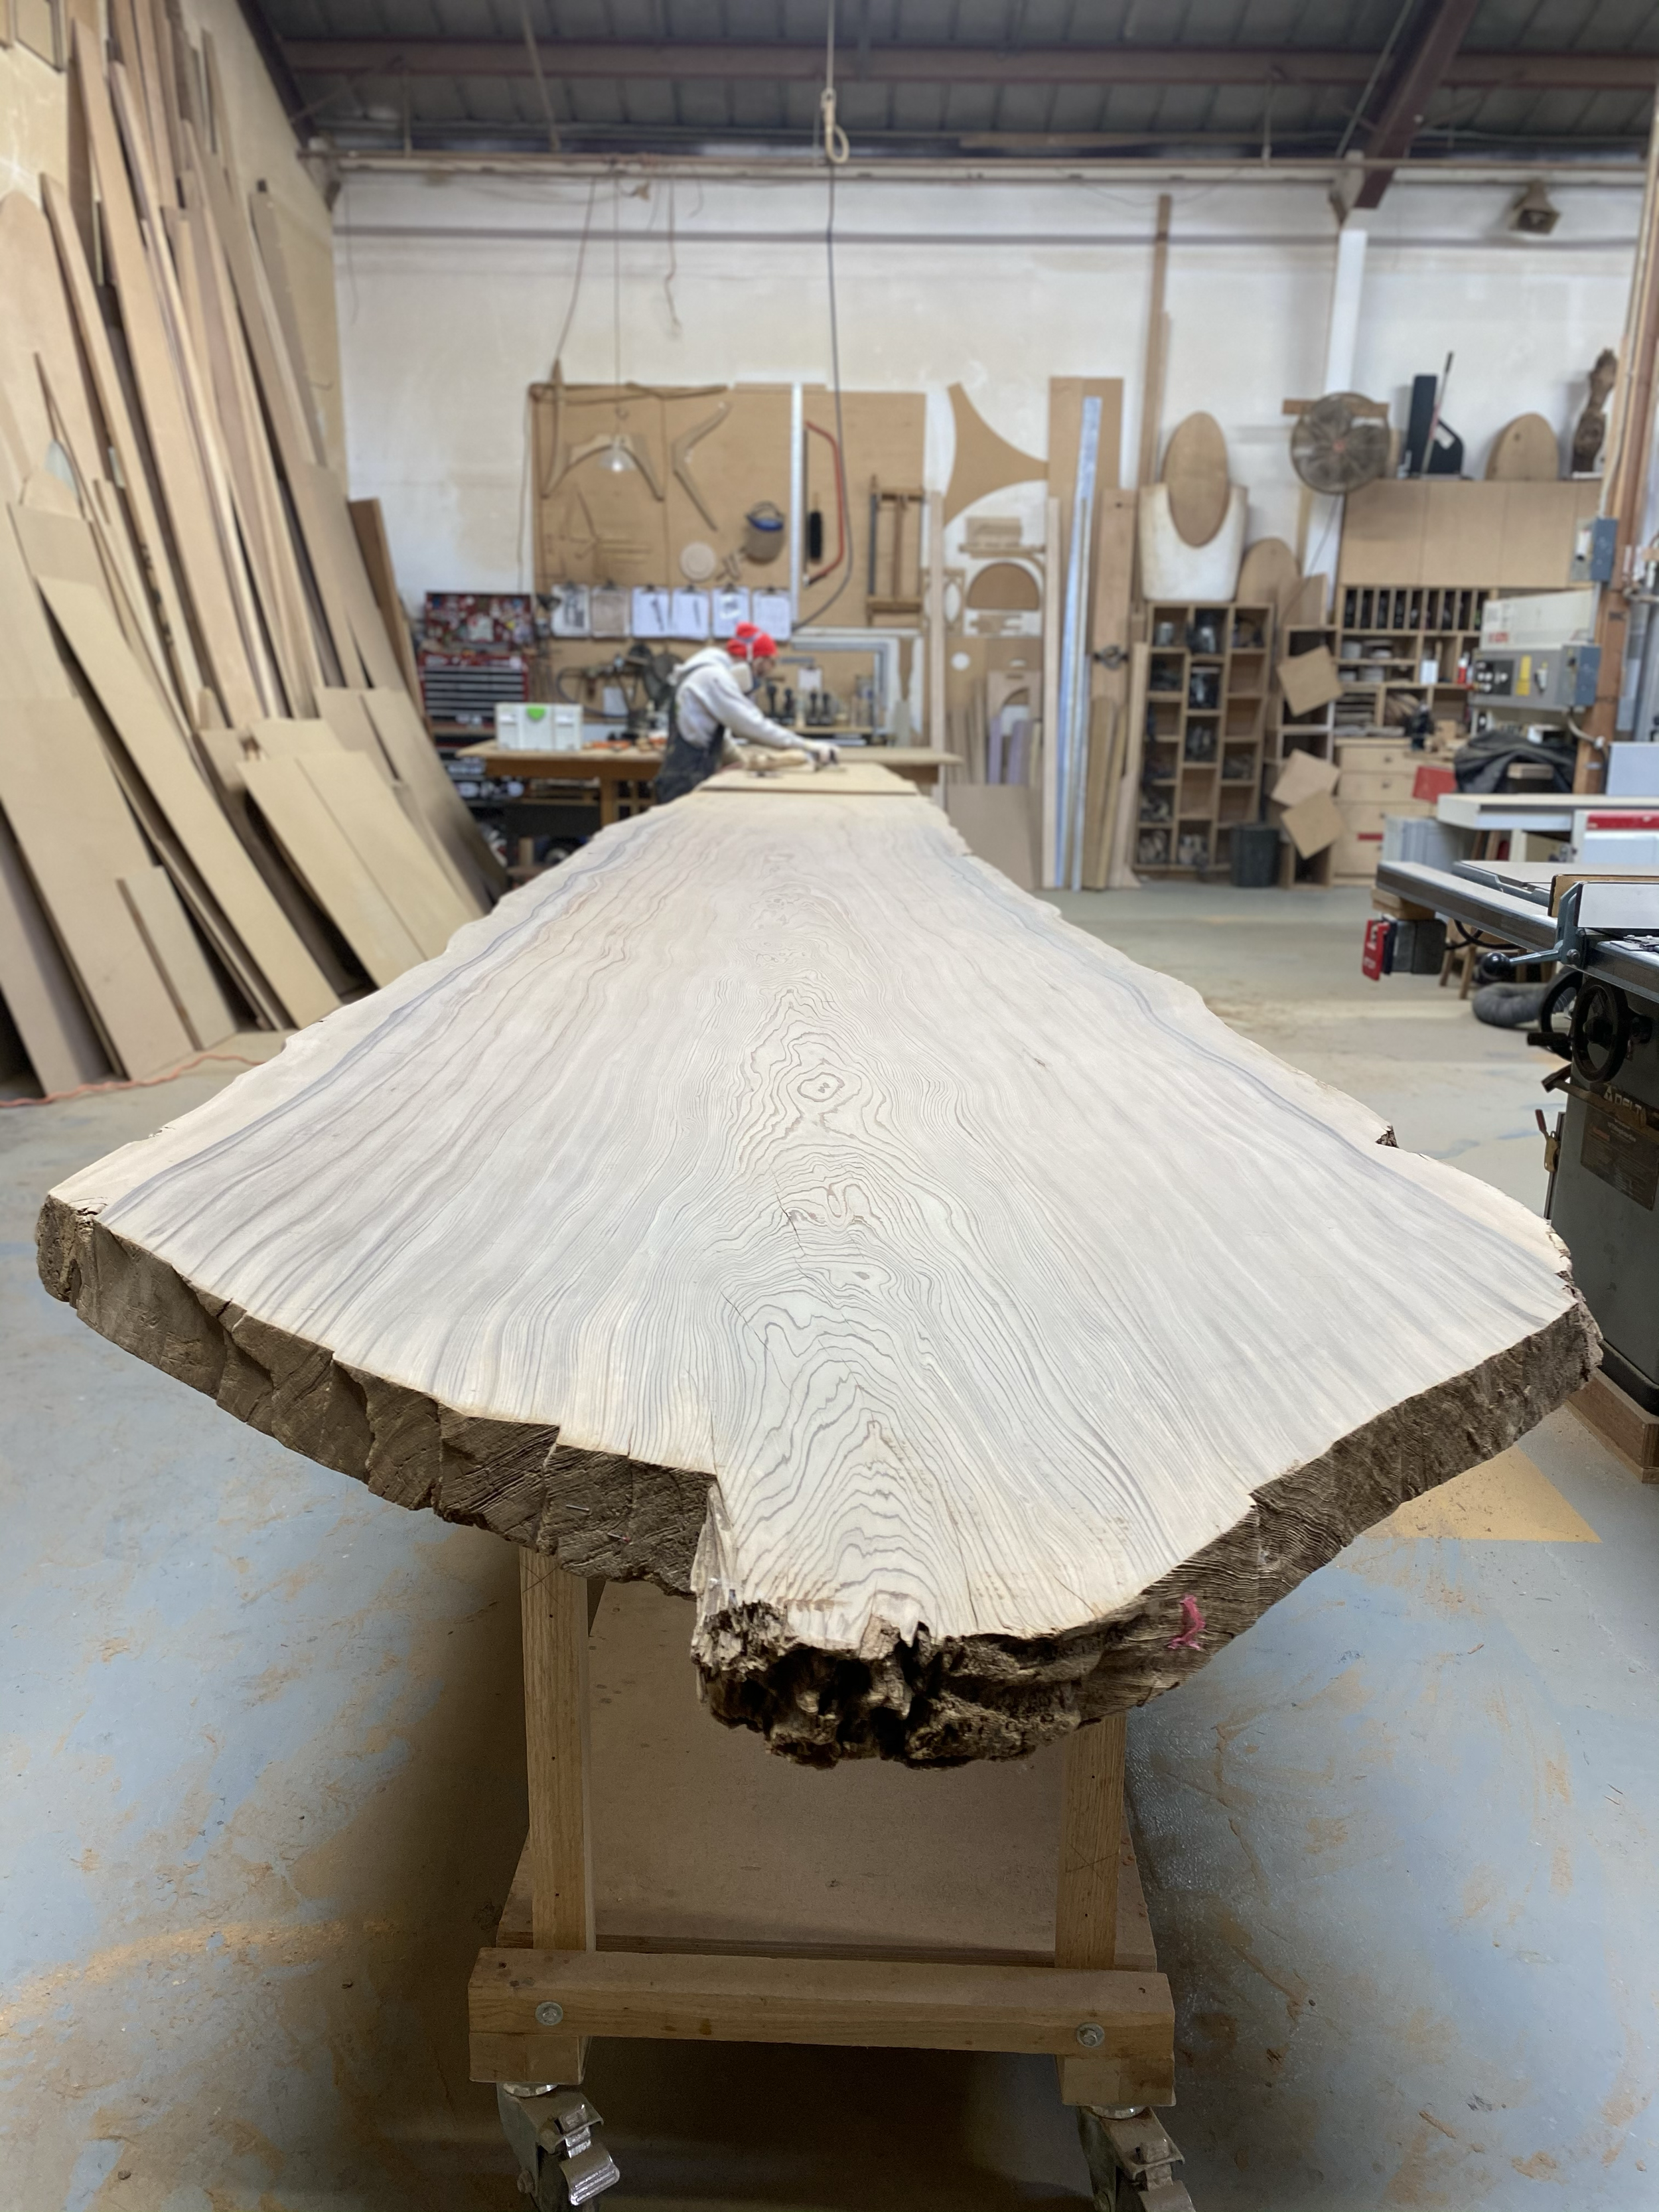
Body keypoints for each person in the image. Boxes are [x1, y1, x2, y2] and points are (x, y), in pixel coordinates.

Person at [652, 623, 838, 804]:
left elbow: (720, 739)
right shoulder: (713, 677)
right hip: (684, 782)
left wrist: (745, 762)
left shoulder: (708, 674)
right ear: (753, 660)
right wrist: (807, 745)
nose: (758, 680)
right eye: (760, 671)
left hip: (689, 776)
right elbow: (751, 725)